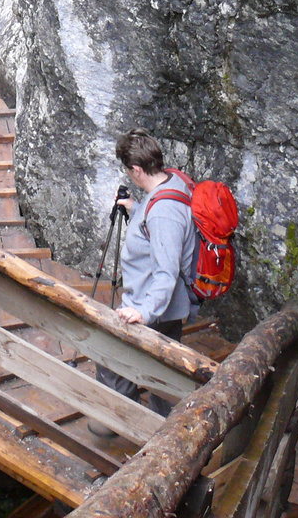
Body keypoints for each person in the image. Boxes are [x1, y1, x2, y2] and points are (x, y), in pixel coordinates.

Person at [88, 129, 198, 436]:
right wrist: (135, 210)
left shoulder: (164, 213)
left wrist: (144, 313)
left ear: (136, 170)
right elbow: (160, 230)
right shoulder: (172, 183)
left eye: (128, 170)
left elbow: (166, 270)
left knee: (112, 356)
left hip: (155, 307)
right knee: (161, 373)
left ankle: (117, 420)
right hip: (165, 307)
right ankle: (166, 431)